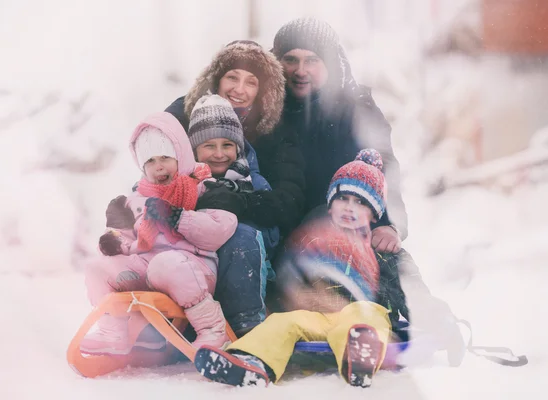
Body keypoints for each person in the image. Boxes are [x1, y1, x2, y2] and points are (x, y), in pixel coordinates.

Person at [192, 17, 465, 364]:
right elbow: (201, 119)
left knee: (384, 252)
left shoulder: (354, 109)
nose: (300, 70)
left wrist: (389, 222)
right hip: (286, 229)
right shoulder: (269, 110)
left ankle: (429, 318)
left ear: (330, 64)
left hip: (344, 220)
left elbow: (384, 169)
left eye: (312, 60)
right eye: (290, 59)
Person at [193, 149, 408, 388]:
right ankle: (250, 361)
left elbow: (410, 289)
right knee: (284, 323)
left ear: (375, 213)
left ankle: (359, 356)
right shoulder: (314, 241)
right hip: (319, 317)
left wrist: (431, 320)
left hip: (363, 313)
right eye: (343, 199)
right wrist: (293, 296)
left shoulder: (381, 249)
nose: (349, 208)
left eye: (360, 202)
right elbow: (290, 278)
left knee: (362, 318)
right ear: (330, 204)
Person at [166, 40, 304, 336]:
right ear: (216, 78)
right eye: (232, 77)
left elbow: (288, 198)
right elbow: (154, 167)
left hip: (247, 229)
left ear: (262, 90)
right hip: (185, 223)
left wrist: (242, 203)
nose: (239, 89)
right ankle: (154, 321)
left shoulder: (276, 129)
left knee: (241, 240)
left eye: (251, 82)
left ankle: (246, 323)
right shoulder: (182, 114)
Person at [80, 112, 238, 355]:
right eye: (150, 161)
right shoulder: (136, 199)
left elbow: (222, 227)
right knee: (96, 267)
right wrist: (113, 241)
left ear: (181, 156)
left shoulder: (203, 188)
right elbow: (125, 235)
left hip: (192, 269)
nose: (159, 166)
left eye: (165, 157)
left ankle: (212, 330)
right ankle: (113, 332)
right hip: (146, 267)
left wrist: (179, 217)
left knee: (167, 263)